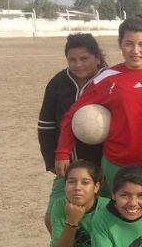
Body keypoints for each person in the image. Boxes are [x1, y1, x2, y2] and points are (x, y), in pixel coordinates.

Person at [55, 18, 142, 200]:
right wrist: (62, 152)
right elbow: (72, 114)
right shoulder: (106, 78)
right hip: (116, 165)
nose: (135, 50)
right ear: (120, 44)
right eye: (129, 44)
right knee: (116, 215)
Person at [38, 33, 107, 232]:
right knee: (53, 218)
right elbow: (46, 125)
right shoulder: (58, 83)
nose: (78, 64)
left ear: (97, 57)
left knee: (102, 219)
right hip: (69, 166)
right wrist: (52, 160)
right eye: (72, 60)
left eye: (84, 58)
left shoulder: (109, 80)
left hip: (104, 166)